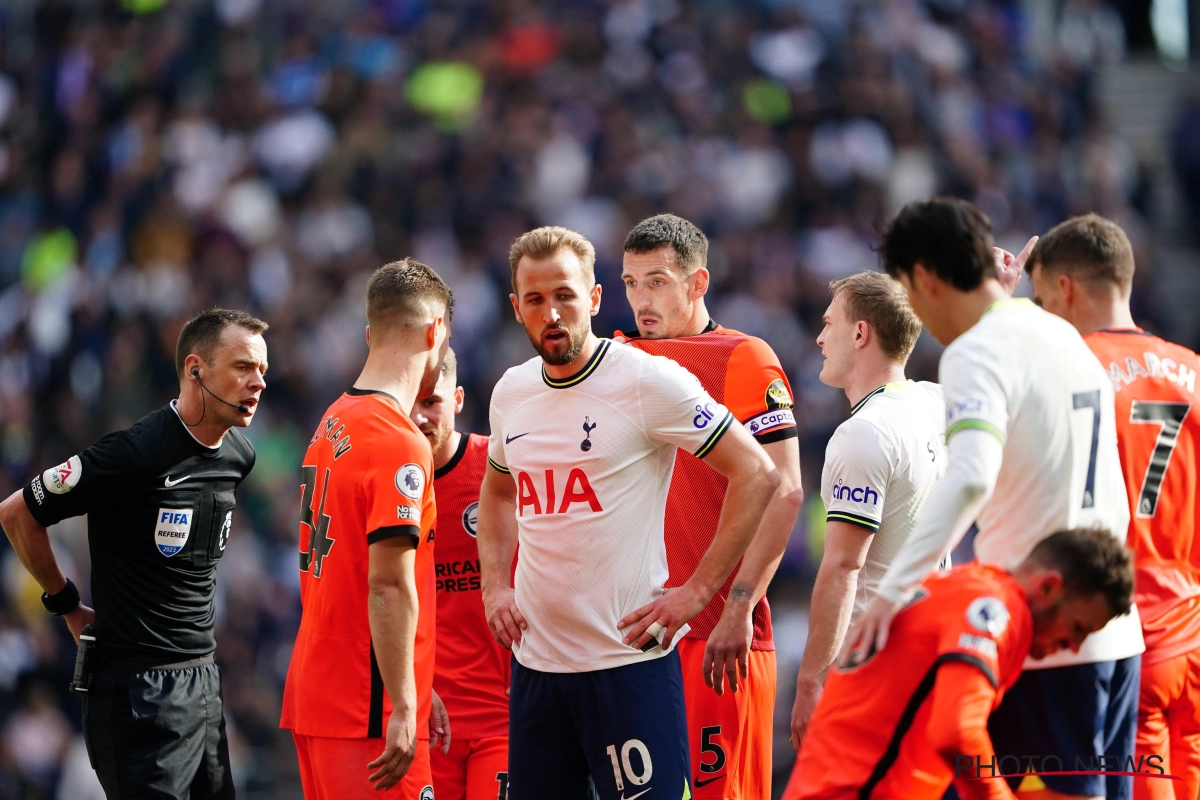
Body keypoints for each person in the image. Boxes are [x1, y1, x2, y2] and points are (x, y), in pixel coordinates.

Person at [843, 198, 1144, 800]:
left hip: (1043, 636)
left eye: (910, 291)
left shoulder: (977, 352)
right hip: (1114, 638)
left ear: (924, 277)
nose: (920, 315)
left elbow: (973, 474)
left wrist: (894, 591)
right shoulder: (1058, 332)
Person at [477, 226, 779, 800]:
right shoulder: (511, 392)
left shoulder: (645, 380)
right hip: (537, 672)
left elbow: (759, 473)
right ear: (517, 309)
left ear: (593, 298)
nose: (553, 313)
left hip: (627, 668)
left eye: (565, 295)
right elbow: (496, 492)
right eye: (536, 300)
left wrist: (697, 591)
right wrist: (495, 584)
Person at [0, 307, 268, 799]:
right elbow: (18, 513)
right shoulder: (134, 453)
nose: (258, 383)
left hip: (204, 686)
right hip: (135, 692)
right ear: (195, 369)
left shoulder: (237, 456)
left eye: (262, 371)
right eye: (243, 367)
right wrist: (65, 604)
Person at [617, 213, 805, 799]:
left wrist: (738, 606)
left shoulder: (742, 358)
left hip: (714, 636)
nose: (641, 300)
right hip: (630, 636)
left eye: (657, 282)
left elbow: (786, 488)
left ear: (698, 283)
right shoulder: (617, 358)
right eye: (629, 284)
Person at [1026, 214, 1200, 800]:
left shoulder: (1074, 370)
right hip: (1194, 627)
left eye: (1044, 294)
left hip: (1125, 629)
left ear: (1065, 287)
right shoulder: (1195, 370)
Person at [785, 528, 1136, 800]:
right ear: (1048, 587)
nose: (1073, 648)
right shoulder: (994, 610)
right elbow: (956, 731)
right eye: (1078, 628)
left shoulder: (967, 586)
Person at [280, 260, 453, 799]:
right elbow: (387, 583)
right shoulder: (399, 442)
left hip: (318, 692)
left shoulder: (333, 421)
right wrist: (403, 702)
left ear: (369, 333)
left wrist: (417, 680)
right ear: (435, 332)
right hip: (367, 711)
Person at [788, 272, 947, 750]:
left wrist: (811, 681)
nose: (819, 337)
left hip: (873, 663)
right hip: (932, 645)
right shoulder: (934, 403)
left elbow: (843, 567)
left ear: (860, 334)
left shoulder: (865, 433)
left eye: (829, 323)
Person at [413, 348, 513, 800]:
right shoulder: (389, 483)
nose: (418, 417)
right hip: (429, 720)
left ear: (456, 399)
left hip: (505, 716)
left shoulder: (499, 465)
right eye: (408, 403)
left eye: (430, 402)